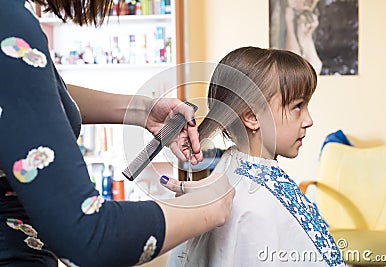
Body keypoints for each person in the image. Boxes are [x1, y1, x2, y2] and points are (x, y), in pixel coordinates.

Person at [0, 1, 235, 266]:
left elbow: (29, 95)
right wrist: (208, 207)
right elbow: (88, 237)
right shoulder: (8, 20)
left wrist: (143, 110)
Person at [163, 47, 346, 266]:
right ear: (251, 117)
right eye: (298, 106)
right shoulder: (253, 207)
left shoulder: (236, 167)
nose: (309, 120)